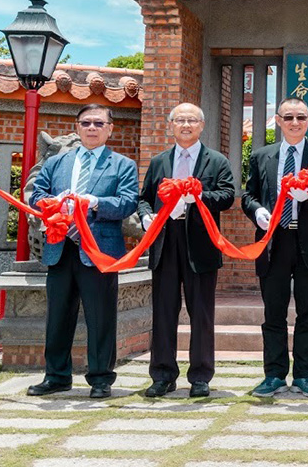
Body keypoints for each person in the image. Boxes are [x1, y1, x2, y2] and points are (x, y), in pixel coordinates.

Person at [28, 104, 138, 399]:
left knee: (101, 317)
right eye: (86, 122)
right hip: (60, 246)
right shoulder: (57, 163)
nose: (92, 127)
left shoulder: (122, 165)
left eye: (98, 123)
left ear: (110, 128)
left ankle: (101, 378)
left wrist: (96, 203)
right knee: (58, 316)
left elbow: (128, 202)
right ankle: (56, 376)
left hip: (99, 250)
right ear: (77, 127)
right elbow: (37, 195)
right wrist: (54, 202)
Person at [241, 96, 308, 398]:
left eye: (300, 117)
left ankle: (305, 375)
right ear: (278, 120)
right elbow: (249, 194)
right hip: (275, 241)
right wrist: (257, 210)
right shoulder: (261, 156)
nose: (295, 122)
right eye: (288, 117)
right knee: (274, 313)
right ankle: (273, 375)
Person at [137, 103, 235, 398]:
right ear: (171, 125)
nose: (186, 125)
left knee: (201, 313)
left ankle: (201, 376)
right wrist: (145, 217)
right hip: (165, 240)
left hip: (200, 243)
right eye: (180, 120)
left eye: (192, 120)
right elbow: (144, 198)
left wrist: (199, 195)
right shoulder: (159, 162)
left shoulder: (215, 161)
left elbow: (228, 195)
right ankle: (163, 374)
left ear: (202, 125)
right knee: (164, 311)